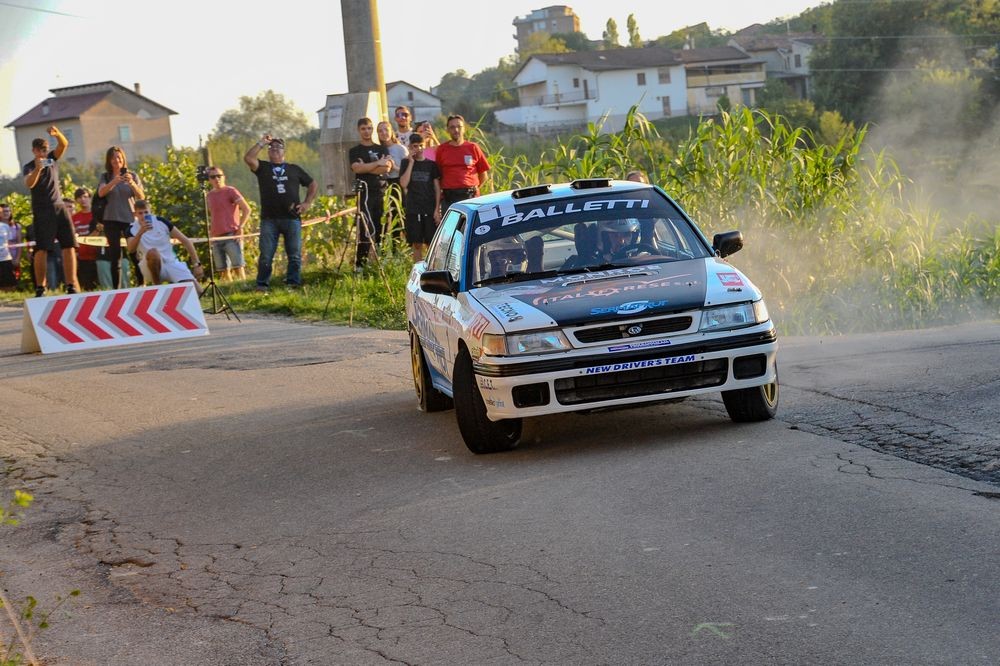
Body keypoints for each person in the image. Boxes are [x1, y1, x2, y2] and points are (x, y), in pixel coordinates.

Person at [244, 135, 316, 291]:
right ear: (268, 152)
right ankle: (262, 285)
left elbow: (312, 184)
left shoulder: (294, 169)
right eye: (272, 147)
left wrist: (307, 203)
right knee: (266, 255)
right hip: (269, 219)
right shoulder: (263, 168)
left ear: (284, 151)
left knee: (294, 255)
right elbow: (249, 158)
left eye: (279, 147)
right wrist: (262, 142)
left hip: (292, 217)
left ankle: (293, 284)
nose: (275, 149)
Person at [22, 126, 79, 296]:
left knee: (69, 245)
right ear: (34, 151)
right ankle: (41, 286)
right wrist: (38, 168)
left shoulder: (52, 159)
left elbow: (64, 145)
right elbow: (29, 183)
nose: (43, 153)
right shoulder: (29, 166)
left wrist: (57, 134)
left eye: (45, 150)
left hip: (59, 206)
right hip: (42, 210)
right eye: (40, 150)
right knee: (42, 248)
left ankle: (71, 284)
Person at [126, 200, 204, 291]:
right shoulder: (131, 229)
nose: (143, 216)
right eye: (140, 213)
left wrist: (197, 264)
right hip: (149, 265)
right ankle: (157, 287)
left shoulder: (161, 222)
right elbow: (131, 249)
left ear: (150, 211)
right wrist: (140, 233)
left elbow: (186, 241)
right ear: (135, 214)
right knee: (153, 252)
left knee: (198, 291)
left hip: (170, 262)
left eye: (146, 212)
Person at [96, 146, 145, 288]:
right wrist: (115, 181)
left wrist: (131, 183)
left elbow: (141, 196)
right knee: (115, 256)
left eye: (119, 157)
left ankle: (141, 283)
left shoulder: (133, 176)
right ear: (109, 160)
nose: (116, 160)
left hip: (129, 219)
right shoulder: (105, 177)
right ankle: (116, 289)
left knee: (134, 253)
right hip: (110, 219)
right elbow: (101, 193)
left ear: (123, 159)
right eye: (113, 158)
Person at [349, 117, 393, 269]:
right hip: (364, 194)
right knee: (365, 230)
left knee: (381, 229)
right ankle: (360, 266)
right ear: (359, 130)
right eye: (363, 129)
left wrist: (367, 166)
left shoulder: (381, 148)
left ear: (372, 129)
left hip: (380, 192)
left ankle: (378, 264)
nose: (366, 131)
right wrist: (376, 164)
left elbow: (386, 168)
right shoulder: (354, 151)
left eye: (369, 128)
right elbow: (357, 168)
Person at [399, 132, 441, 262]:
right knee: (416, 243)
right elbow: (403, 183)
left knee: (431, 243)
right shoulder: (405, 163)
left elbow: (437, 188)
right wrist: (411, 162)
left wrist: (436, 209)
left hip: (429, 208)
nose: (418, 149)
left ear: (425, 146)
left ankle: (432, 271)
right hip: (413, 209)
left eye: (421, 145)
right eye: (415, 146)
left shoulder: (431, 165)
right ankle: (418, 273)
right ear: (410, 147)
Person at [435, 114, 490, 214]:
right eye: (452, 127)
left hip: (471, 198)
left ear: (464, 129)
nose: (456, 130)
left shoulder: (473, 147)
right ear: (447, 130)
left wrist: (474, 189)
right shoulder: (441, 150)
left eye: (459, 127)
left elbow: (483, 174)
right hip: (449, 200)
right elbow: (438, 176)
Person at [205, 166, 251, 281]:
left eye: (219, 176)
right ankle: (231, 292)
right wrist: (211, 233)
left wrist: (241, 227)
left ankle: (244, 290)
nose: (217, 179)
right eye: (213, 177)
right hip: (216, 237)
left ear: (224, 177)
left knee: (238, 267)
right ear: (209, 180)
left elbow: (246, 209)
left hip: (232, 234)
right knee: (223, 271)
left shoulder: (231, 191)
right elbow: (213, 216)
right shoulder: (209, 195)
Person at [377, 120, 408, 236]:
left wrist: (393, 166)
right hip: (383, 184)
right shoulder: (378, 149)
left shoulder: (400, 149)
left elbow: (406, 171)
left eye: (386, 130)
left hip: (398, 184)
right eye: (380, 131)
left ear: (391, 131)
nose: (384, 133)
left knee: (400, 215)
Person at [71, 188, 99, 290]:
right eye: (79, 197)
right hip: (82, 256)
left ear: (90, 198)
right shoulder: (74, 218)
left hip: (98, 255)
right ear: (76, 200)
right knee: (86, 287)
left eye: (85, 197)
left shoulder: (97, 215)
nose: (83, 199)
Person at [0, 204, 21, 282]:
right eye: (4, 211)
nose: (6, 213)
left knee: (14, 280)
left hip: (14, 257)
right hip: (2, 257)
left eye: (8, 211)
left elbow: (20, 243)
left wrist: (17, 259)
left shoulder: (16, 226)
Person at [0, 205, 16, 292]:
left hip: (5, 258)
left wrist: (13, 258)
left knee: (9, 283)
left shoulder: (4, 226)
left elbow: (9, 243)